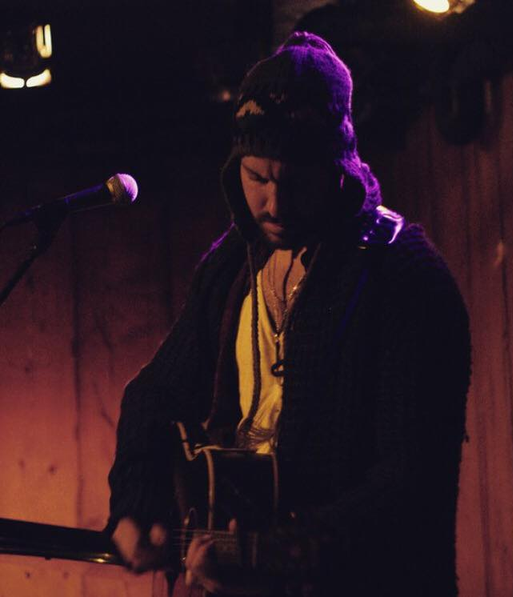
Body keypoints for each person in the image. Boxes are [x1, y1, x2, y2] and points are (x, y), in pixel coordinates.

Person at [107, 31, 471, 596]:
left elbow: (410, 481)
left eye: (296, 180)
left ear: (338, 168)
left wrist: (274, 556)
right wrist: (137, 504)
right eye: (257, 178)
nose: (274, 203)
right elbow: (154, 395)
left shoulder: (405, 277)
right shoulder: (232, 264)